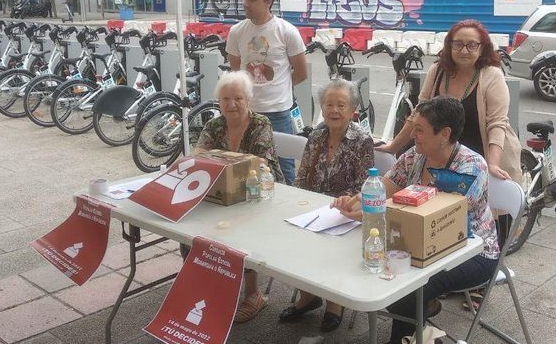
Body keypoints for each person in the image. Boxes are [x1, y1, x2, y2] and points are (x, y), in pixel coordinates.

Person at [332, 97, 500, 344]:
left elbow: (438, 218)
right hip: (419, 242)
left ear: (444, 134)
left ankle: (404, 335)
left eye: (419, 130)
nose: (413, 134)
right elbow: (386, 187)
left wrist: (374, 214)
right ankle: (419, 318)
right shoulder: (415, 155)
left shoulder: (471, 167)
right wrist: (356, 201)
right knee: (379, 269)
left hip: (471, 250)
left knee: (409, 289)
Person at [378, 19, 521, 245]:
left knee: (478, 221)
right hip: (441, 153)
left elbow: (497, 123)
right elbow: (419, 113)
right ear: (449, 46)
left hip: (480, 154)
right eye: (458, 44)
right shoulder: (438, 71)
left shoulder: (491, 75)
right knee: (437, 216)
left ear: (482, 47)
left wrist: (493, 164)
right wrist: (394, 146)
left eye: (472, 45)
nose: (464, 50)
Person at [278, 78, 374, 333]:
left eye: (341, 105)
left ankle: (335, 302)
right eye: (329, 104)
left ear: (353, 109)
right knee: (290, 231)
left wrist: (346, 200)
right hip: (314, 206)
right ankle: (309, 295)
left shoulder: (361, 139)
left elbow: (365, 185)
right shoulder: (317, 134)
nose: (334, 110)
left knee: (331, 242)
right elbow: (302, 175)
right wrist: (294, 201)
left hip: (345, 210)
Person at [194, 71, 284, 323]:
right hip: (222, 189)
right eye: (225, 99)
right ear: (218, 101)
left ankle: (253, 293)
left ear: (248, 99)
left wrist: (216, 161)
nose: (231, 104)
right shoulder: (213, 125)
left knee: (245, 232)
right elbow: (199, 155)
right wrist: (213, 163)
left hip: (260, 189)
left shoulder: (260, 123)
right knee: (194, 227)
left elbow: (257, 163)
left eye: (238, 98)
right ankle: (210, 282)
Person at [226, 0, 309, 184]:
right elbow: (236, 70)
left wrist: (278, 89)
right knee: (247, 167)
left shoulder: (286, 31)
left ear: (268, 1)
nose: (245, 3)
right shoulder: (237, 32)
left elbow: (301, 72)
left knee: (284, 169)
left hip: (278, 113)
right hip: (247, 113)